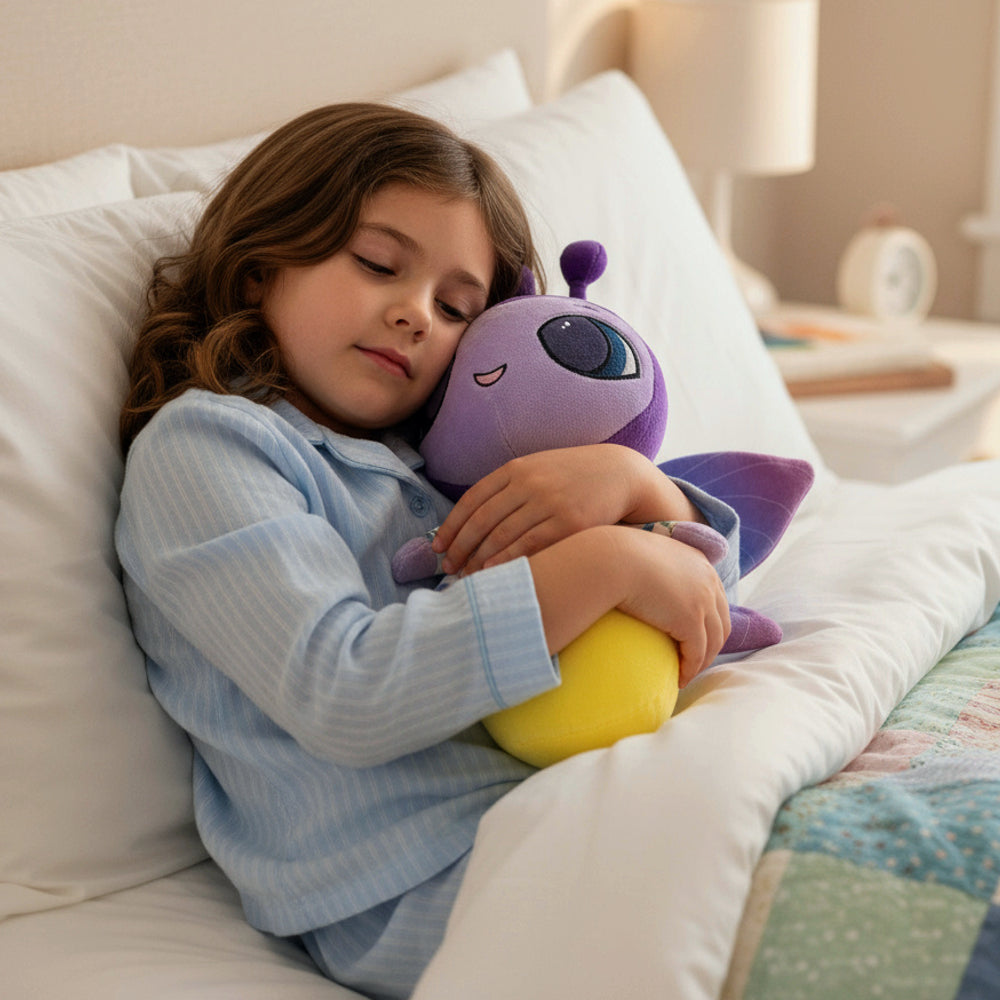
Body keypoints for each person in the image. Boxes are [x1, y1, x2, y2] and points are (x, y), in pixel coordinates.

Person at [115, 102, 738, 1000]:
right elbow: (346, 690)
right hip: (413, 878)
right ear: (260, 268)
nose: (415, 315)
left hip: (559, 815)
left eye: (456, 307)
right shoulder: (208, 446)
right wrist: (601, 565)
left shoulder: (445, 456)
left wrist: (635, 489)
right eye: (377, 265)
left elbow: (707, 597)